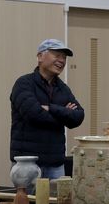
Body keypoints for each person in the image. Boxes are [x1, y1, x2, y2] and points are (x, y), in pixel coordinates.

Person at [10, 38, 84, 180]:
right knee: (27, 196)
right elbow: (34, 115)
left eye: (64, 57)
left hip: (55, 164)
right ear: (40, 57)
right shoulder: (24, 84)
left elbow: (78, 116)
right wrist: (64, 114)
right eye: (57, 55)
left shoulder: (63, 88)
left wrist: (51, 108)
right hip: (27, 162)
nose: (61, 60)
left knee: (57, 196)